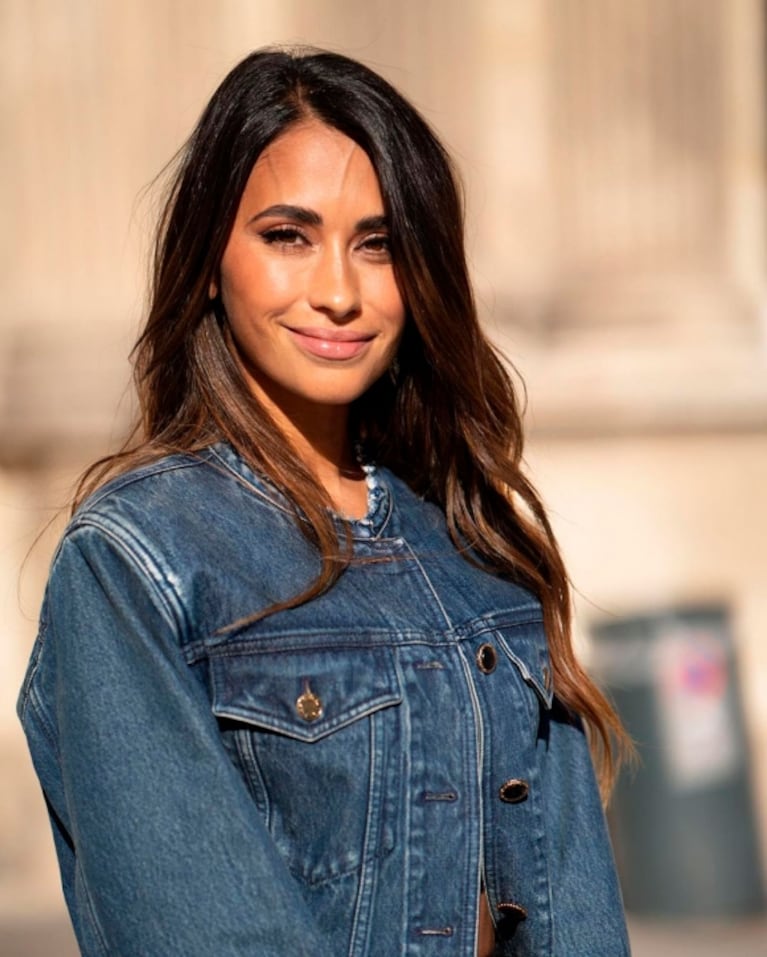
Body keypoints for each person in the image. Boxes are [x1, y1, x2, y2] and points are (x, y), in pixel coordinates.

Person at [18, 47, 631, 956]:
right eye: (287, 236)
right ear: (208, 261)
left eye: (377, 244)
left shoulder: (479, 556)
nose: (339, 292)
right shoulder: (137, 560)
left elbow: (575, 922)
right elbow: (200, 930)